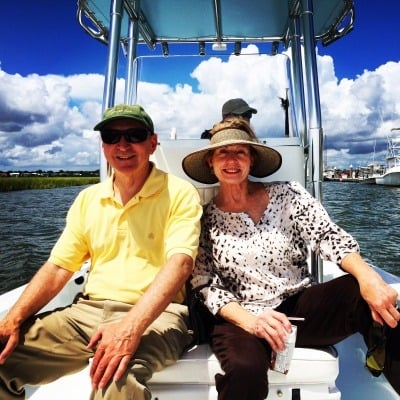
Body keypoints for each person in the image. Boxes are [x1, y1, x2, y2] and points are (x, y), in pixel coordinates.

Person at [182, 118, 400, 400]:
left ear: (252, 159)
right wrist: (253, 322)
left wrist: (368, 277)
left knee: (364, 295)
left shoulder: (287, 194)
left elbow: (326, 234)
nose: (232, 160)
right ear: (210, 162)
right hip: (240, 317)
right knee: (245, 371)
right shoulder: (204, 219)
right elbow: (205, 284)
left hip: (297, 306)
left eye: (240, 152)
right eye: (223, 152)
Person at [0, 104, 202, 400]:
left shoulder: (180, 193)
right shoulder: (88, 199)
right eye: (111, 136)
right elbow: (59, 267)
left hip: (159, 313)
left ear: (152, 143)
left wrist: (130, 327)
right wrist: (14, 318)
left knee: (117, 376)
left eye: (134, 135)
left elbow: (181, 263)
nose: (123, 145)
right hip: (88, 311)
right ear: (103, 145)